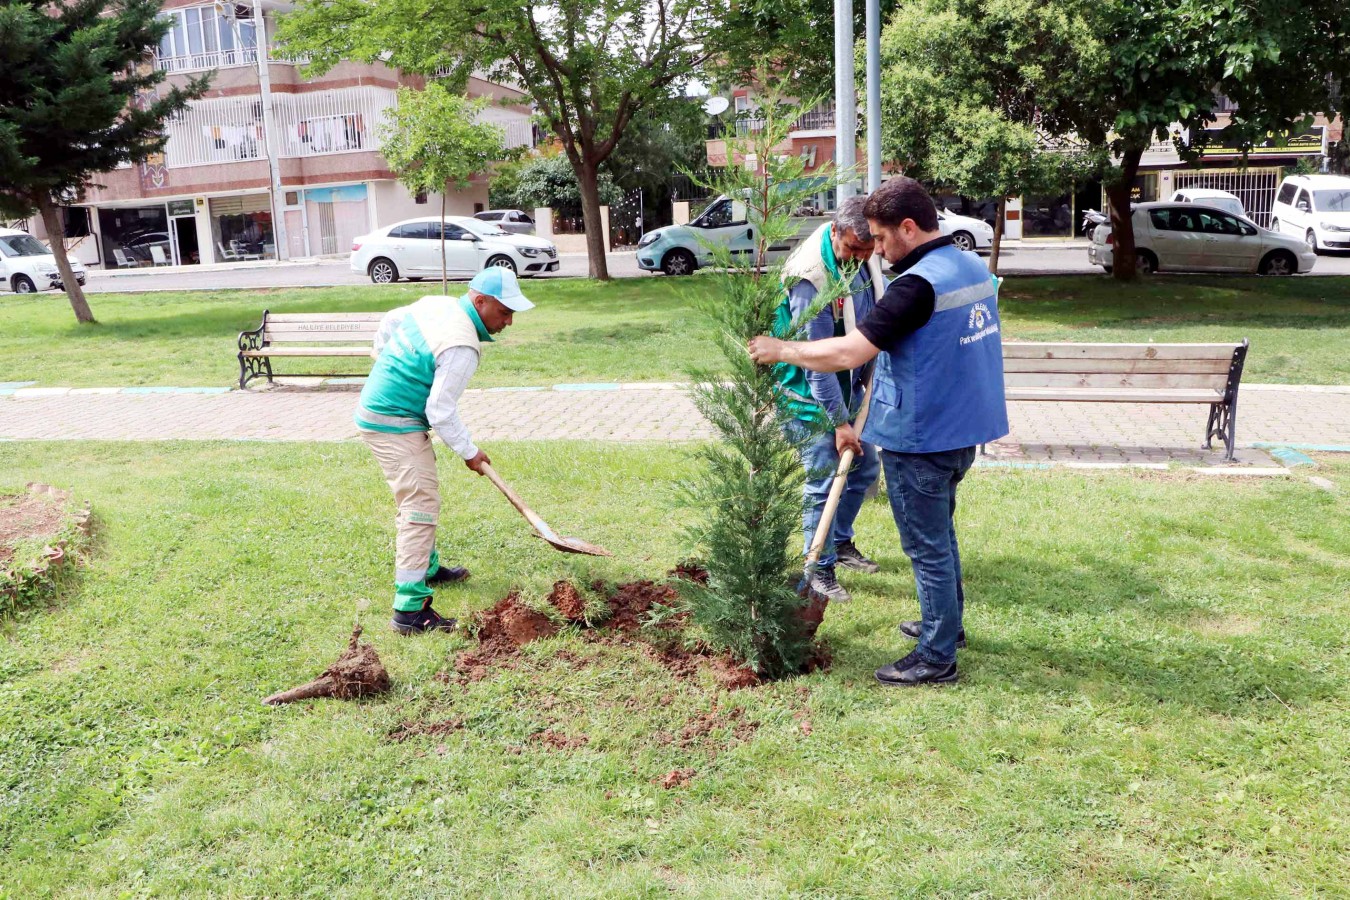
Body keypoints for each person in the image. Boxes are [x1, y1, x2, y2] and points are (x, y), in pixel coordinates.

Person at [748, 177, 1008, 686]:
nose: (878, 251)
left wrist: (782, 349)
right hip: (965, 429)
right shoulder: (968, 263)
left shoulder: (917, 285)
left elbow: (848, 352)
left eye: (882, 238)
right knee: (942, 533)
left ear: (908, 228)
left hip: (923, 435)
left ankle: (936, 657)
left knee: (926, 546)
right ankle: (945, 626)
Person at [356, 267, 534, 635]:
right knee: (419, 506)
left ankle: (428, 567)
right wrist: (470, 452)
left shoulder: (437, 305)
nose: (509, 322)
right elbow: (440, 411)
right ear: (480, 301)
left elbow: (391, 320)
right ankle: (410, 610)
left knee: (422, 494)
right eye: (504, 312)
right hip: (393, 422)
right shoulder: (461, 345)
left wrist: (383, 360)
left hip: (386, 414)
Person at [773, 196, 882, 603]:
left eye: (868, 251)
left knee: (865, 464)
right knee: (824, 478)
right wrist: (838, 424)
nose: (861, 258)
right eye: (854, 249)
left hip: (848, 382)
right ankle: (818, 567)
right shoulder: (811, 280)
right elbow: (815, 363)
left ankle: (838, 541)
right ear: (836, 232)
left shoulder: (863, 252)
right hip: (808, 395)